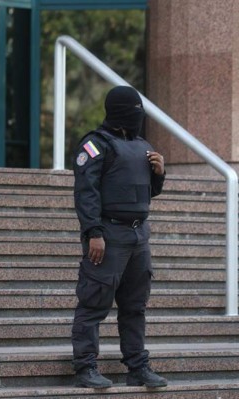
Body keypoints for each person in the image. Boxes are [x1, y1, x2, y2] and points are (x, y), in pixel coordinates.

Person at [71, 86, 168, 388]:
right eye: (134, 110)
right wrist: (93, 232)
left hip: (139, 235)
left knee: (134, 306)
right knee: (94, 303)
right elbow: (86, 193)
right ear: (121, 112)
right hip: (108, 233)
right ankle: (86, 368)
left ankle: (137, 367)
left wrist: (159, 173)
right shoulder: (96, 145)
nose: (138, 116)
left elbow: (147, 191)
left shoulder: (142, 145)